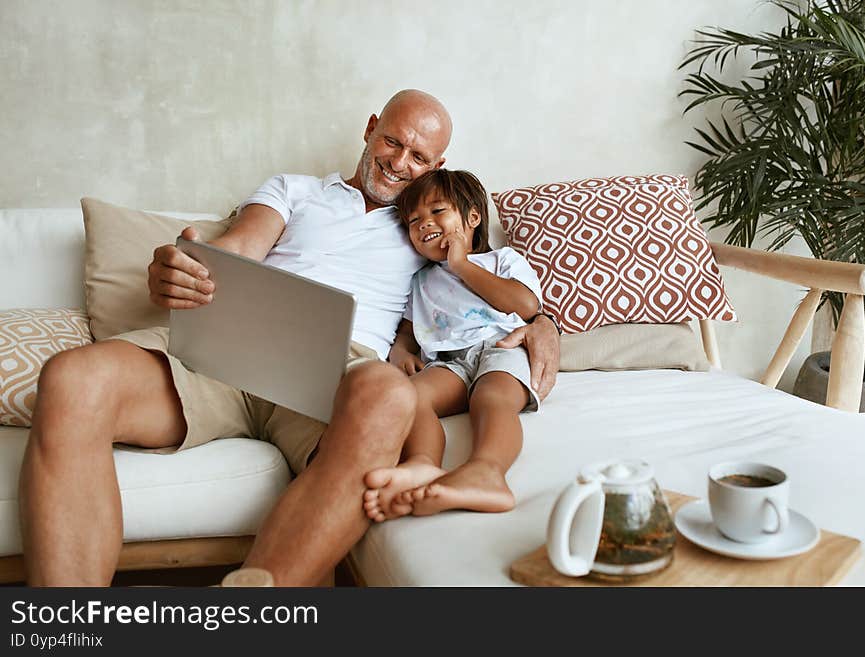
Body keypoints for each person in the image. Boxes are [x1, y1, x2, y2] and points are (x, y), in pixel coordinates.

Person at [18, 89, 560, 586]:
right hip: (229, 347)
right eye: (392, 141)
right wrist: (184, 267)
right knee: (71, 377)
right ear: (371, 128)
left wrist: (543, 324)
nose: (399, 163)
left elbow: (485, 289)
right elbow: (239, 247)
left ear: (436, 167)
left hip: (337, 374)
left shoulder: (425, 232)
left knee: (390, 393)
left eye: (419, 157)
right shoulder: (295, 190)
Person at [362, 170, 542, 522]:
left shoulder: (501, 261)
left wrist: (460, 265)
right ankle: (423, 465)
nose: (423, 224)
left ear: (473, 217)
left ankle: (487, 472)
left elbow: (525, 306)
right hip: (448, 362)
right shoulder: (421, 279)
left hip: (500, 347)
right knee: (409, 398)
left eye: (437, 211)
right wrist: (401, 350)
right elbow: (410, 329)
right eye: (414, 220)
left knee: (491, 398)